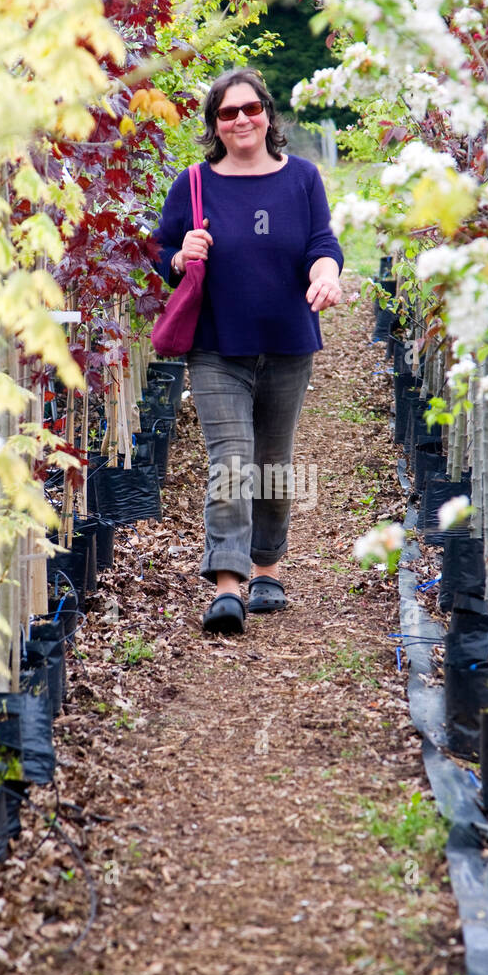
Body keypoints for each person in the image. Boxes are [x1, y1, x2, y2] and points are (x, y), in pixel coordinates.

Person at [149, 68, 344, 635]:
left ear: (268, 114)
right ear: (214, 123)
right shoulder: (193, 184)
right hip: (217, 347)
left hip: (287, 344)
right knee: (231, 464)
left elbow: (321, 241)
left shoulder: (303, 179)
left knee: (274, 468)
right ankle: (227, 585)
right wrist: (180, 256)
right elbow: (163, 255)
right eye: (228, 112)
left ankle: (267, 569)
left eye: (250, 109)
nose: (242, 120)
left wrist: (327, 272)